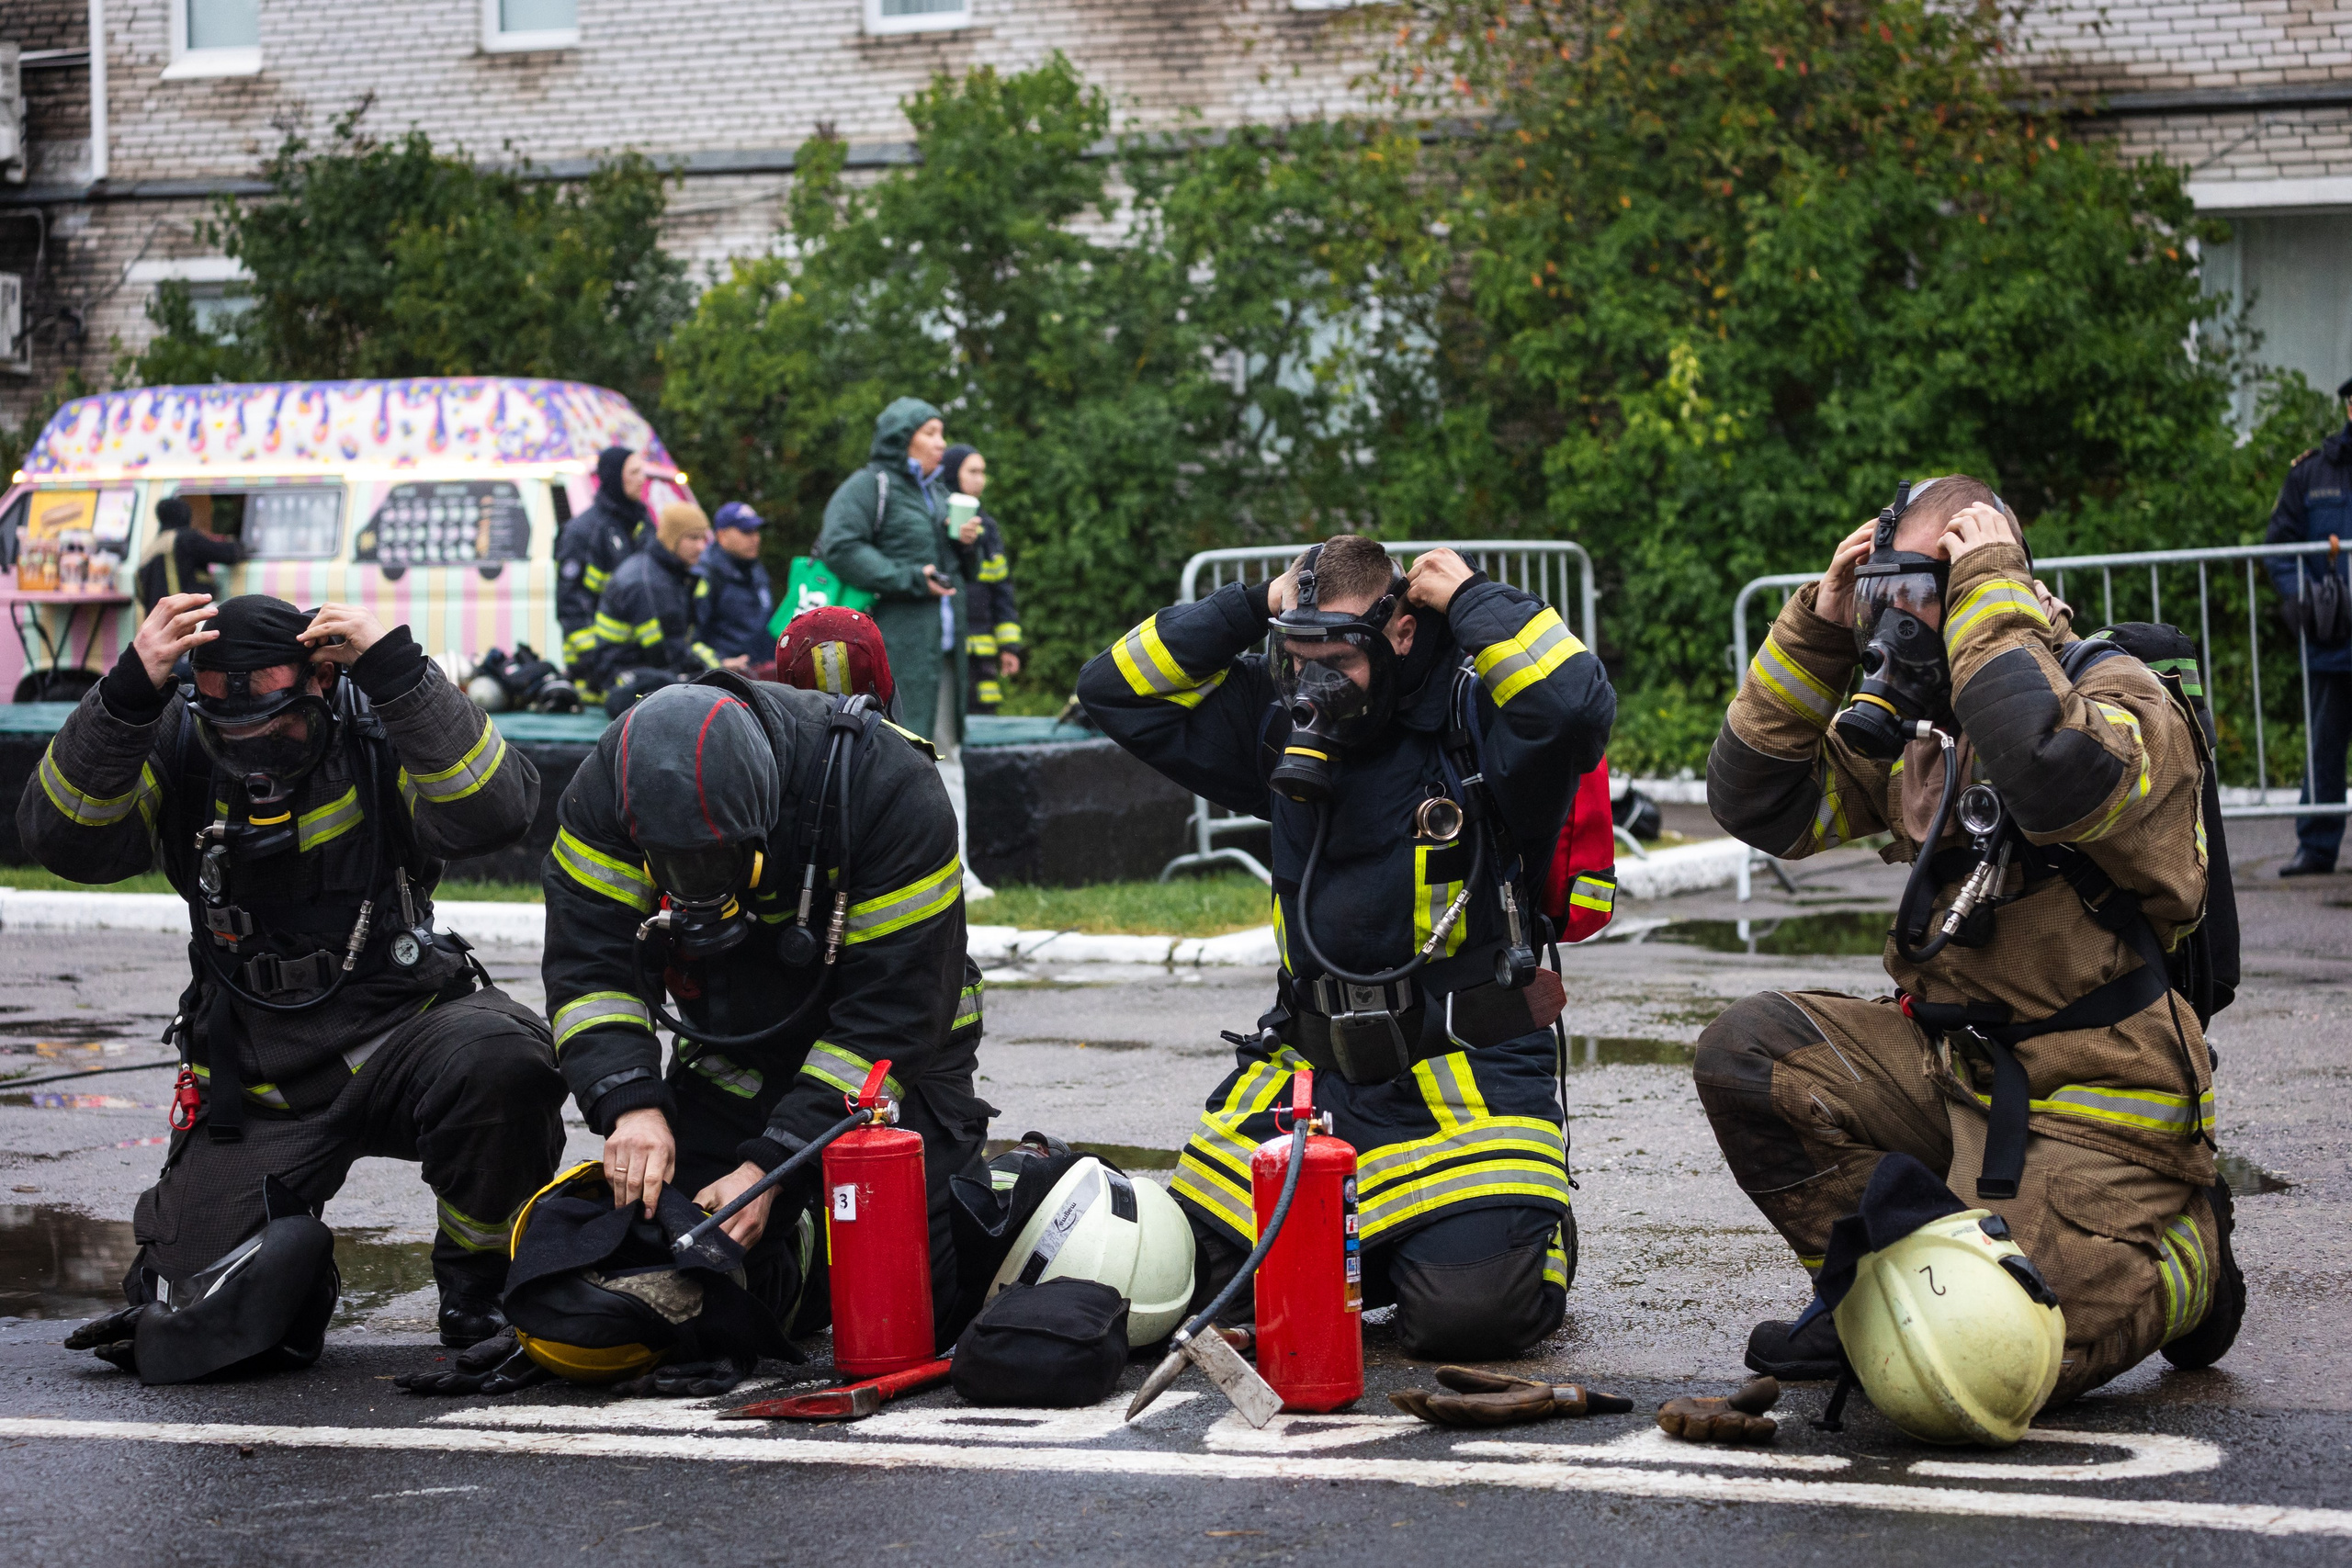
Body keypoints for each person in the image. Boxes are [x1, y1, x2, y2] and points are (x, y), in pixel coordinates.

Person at [1700, 474, 2242, 1413]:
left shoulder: (2117, 696)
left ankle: (2191, 1255)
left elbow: (2047, 769)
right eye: (1889, 595)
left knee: (1982, 1364)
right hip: (1952, 1075)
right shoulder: (1926, 732)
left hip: (2099, 1099)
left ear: (1995, 579)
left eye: (1927, 591)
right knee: (1748, 1057)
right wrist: (1818, 628)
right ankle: (1881, 1284)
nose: (1903, 622)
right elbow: (1760, 803)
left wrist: (1991, 593)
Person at [1078, 535, 1614, 1359]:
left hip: (1462, 1070)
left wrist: (1471, 597)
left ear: (1400, 632)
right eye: (1297, 658)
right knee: (1191, 1276)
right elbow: (1113, 688)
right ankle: (1390, 1249)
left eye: (1337, 659)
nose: (1314, 684)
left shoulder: (1475, 721)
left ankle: (1522, 1231)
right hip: (1313, 1068)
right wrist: (1255, 599)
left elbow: (1577, 707)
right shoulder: (1280, 721)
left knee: (1471, 1320)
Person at [20, 592, 563, 1383]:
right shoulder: (175, 742)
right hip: (258, 1076)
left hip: (401, 1033)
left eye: (278, 723)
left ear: (318, 683)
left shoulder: (379, 725)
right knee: (193, 1332)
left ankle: (479, 1290)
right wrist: (128, 691)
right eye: (232, 729)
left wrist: (398, 671)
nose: (257, 747)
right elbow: (61, 839)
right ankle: (289, 1285)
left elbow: (497, 810)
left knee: (504, 1058)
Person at [533, 675, 992, 1389]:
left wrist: (772, 1166)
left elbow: (893, 1013)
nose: (696, 886)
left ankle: (977, 1192)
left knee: (927, 1305)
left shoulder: (887, 787)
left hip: (897, 1071)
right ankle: (801, 1256)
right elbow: (589, 967)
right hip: (739, 1059)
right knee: (650, 1259)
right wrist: (632, 1103)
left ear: (767, 813)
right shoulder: (611, 789)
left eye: (718, 864)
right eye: (674, 868)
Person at [814, 399, 989, 896]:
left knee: (947, 754)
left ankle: (957, 870)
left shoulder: (936, 492)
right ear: (902, 437)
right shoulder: (870, 486)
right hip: (894, 649)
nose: (941, 443)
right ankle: (898, 875)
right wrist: (907, 578)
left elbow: (954, 573)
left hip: (942, 651)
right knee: (892, 757)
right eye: (932, 432)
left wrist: (963, 545)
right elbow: (840, 546)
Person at [2265, 375, 2352, 877]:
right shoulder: (2312, 473)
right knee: (2325, 743)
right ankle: (2317, 848)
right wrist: (2304, 601)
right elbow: (2281, 545)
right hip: (2334, 635)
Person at [582, 502, 721, 715]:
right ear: (672, 539)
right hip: (625, 678)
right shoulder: (649, 583)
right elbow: (666, 654)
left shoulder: (668, 573)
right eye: (693, 538)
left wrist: (718, 666)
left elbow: (680, 645)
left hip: (642, 670)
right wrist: (714, 671)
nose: (701, 547)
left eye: (704, 539)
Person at [555, 446, 650, 696]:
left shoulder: (643, 524)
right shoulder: (582, 532)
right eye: (634, 472)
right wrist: (597, 664)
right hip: (594, 678)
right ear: (615, 477)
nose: (642, 478)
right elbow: (571, 606)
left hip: (636, 665)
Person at [941, 446, 1023, 712]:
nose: (980, 479)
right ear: (953, 474)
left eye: (982, 472)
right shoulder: (935, 518)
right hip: (945, 646)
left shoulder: (988, 528)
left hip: (982, 651)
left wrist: (1009, 645)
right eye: (972, 471)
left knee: (984, 714)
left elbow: (1002, 589)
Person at [695, 502, 775, 673]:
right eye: (746, 531)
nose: (756, 538)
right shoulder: (706, 575)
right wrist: (718, 664)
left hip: (762, 674)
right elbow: (691, 639)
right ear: (721, 535)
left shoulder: (755, 569)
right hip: (725, 681)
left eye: (756, 531)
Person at [135, 496, 243, 615]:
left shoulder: (152, 548)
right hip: (186, 617)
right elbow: (229, 554)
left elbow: (140, 591)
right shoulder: (186, 538)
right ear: (185, 515)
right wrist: (235, 542)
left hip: (159, 621)